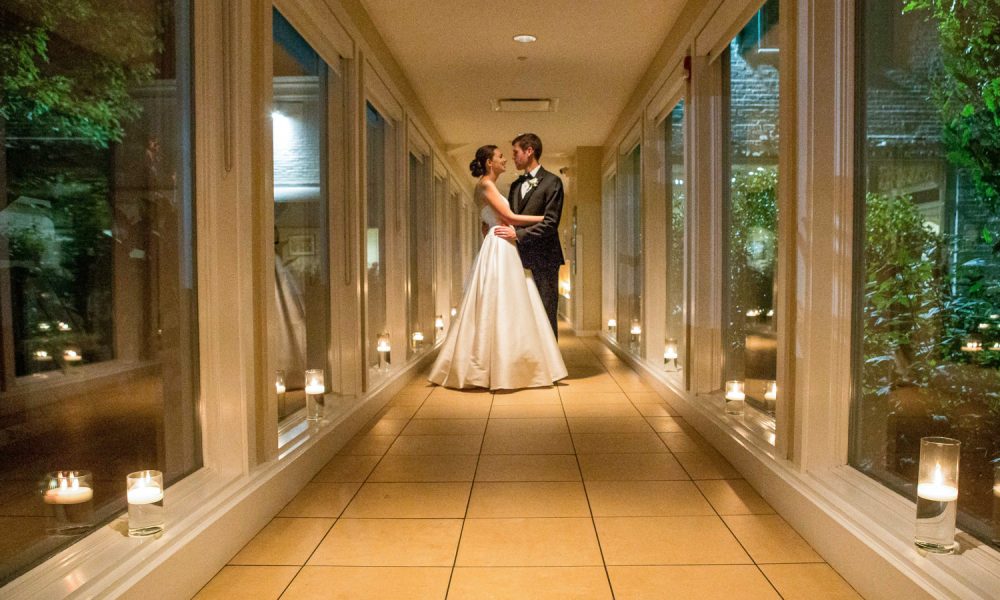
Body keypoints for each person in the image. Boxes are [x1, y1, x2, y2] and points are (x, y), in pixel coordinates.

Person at [427, 145, 567, 390]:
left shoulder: (498, 185)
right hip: (501, 244)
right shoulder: (486, 185)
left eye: (511, 153)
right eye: (502, 156)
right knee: (501, 300)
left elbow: (490, 219)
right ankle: (502, 365)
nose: (507, 159)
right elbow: (510, 217)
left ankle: (520, 363)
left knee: (512, 302)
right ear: (490, 163)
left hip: (505, 244)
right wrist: (544, 218)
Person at [493, 133, 564, 338]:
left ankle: (551, 368)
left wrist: (518, 234)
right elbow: (512, 217)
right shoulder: (515, 186)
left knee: (545, 312)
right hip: (517, 258)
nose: (512, 158)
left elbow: (551, 223)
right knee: (521, 314)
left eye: (516, 153)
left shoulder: (553, 182)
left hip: (545, 258)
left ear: (529, 151)